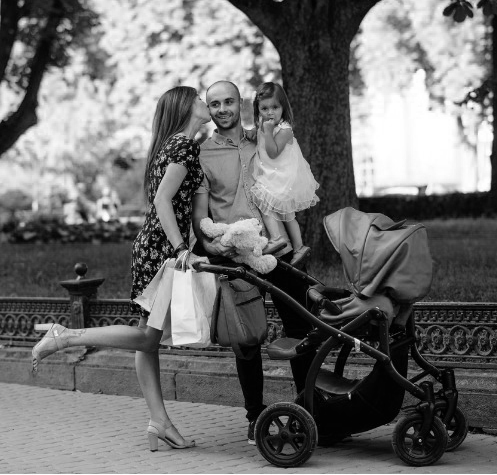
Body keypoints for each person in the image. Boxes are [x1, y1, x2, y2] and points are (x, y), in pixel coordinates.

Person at [32, 86, 211, 451]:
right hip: (163, 251)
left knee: (148, 340)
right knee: (148, 338)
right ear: (186, 106)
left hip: (154, 247)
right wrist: (180, 250)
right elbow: (163, 200)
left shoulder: (174, 144)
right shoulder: (183, 146)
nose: (207, 104)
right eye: (201, 99)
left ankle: (159, 421)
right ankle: (66, 336)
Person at [192, 80, 315, 445]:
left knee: (301, 326)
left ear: (241, 103)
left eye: (229, 101)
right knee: (246, 341)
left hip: (277, 251)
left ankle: (310, 408)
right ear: (209, 110)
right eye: (215, 104)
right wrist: (217, 248)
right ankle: (255, 417)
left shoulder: (263, 137)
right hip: (238, 255)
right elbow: (201, 218)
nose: (223, 108)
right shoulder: (202, 154)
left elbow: (288, 178)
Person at [251, 82, 319, 266]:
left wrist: (266, 131)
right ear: (258, 109)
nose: (270, 112)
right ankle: (299, 247)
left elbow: (273, 151)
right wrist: (260, 131)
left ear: (283, 108)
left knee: (264, 202)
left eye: (275, 107)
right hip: (272, 173)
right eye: (264, 108)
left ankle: (277, 238)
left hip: (281, 176)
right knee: (286, 214)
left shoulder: (285, 129)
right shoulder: (263, 125)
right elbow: (258, 140)